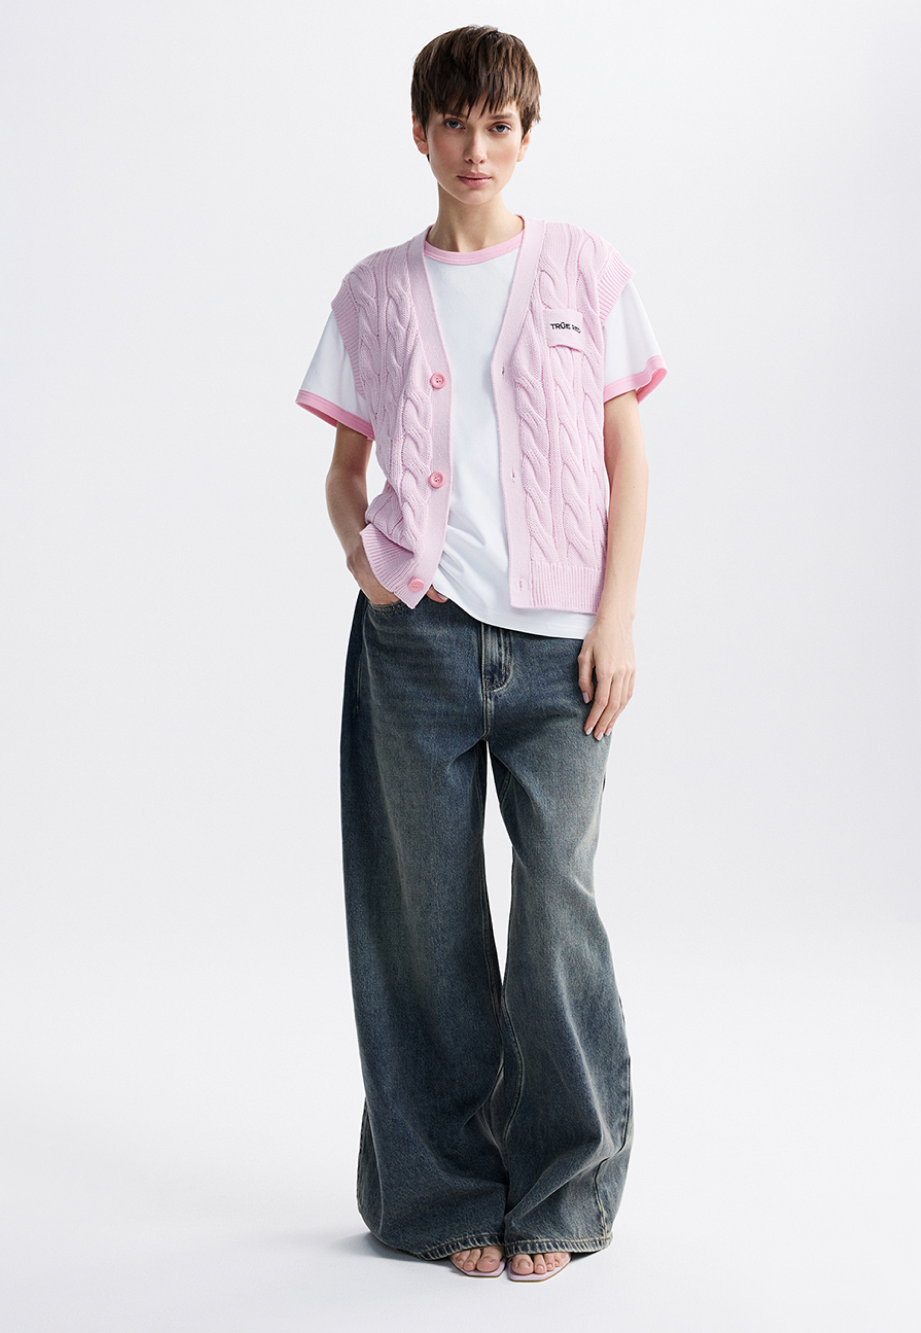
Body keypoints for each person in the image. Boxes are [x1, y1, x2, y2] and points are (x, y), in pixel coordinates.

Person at [295, 25, 665, 1283]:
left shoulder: (584, 270)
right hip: (415, 641)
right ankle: (441, 1189)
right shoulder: (374, 291)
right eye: (451, 123)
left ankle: (563, 1187)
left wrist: (616, 619)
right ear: (419, 133)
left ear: (525, 133)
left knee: (557, 909)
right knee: (424, 923)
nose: (474, 147)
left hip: (561, 652)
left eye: (497, 124)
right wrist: (364, 558)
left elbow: (627, 455)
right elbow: (343, 471)